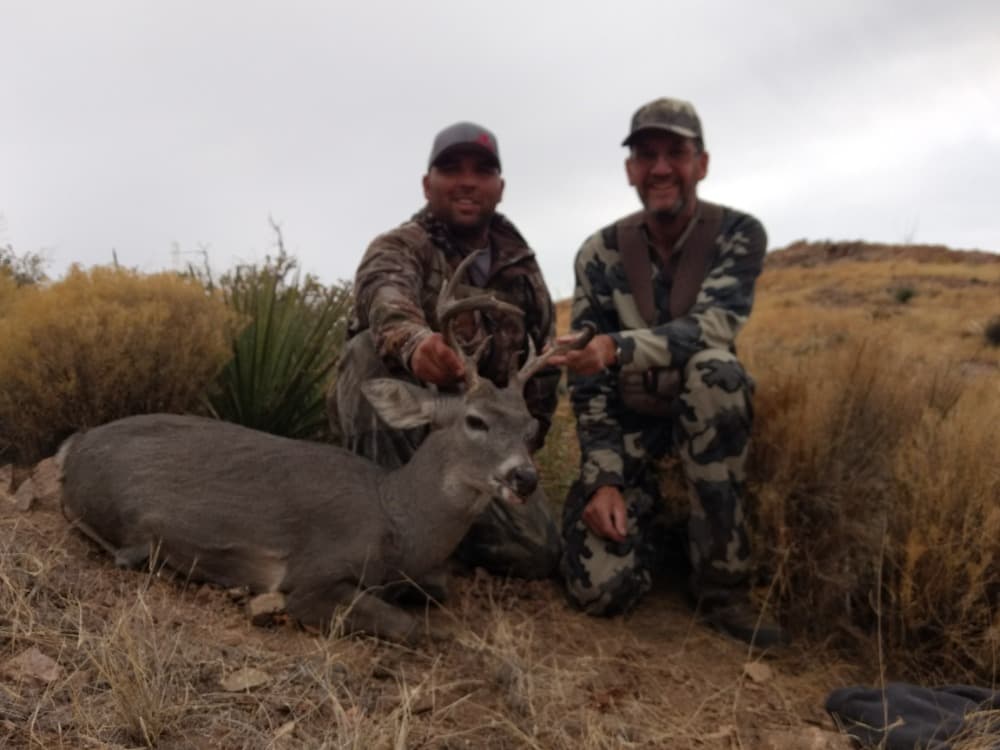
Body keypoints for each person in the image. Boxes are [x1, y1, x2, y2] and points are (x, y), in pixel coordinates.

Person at [549, 97, 785, 646]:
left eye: (675, 153)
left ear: (701, 163)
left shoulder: (740, 234)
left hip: (701, 421)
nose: (660, 168)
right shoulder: (598, 253)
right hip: (630, 434)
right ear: (630, 170)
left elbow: (714, 328)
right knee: (596, 592)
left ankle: (722, 585)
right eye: (647, 155)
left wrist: (616, 347)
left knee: (717, 374)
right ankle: (657, 532)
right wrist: (604, 479)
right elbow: (589, 381)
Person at [328, 121, 561, 583]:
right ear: (427, 183)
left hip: (476, 450)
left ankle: (438, 541)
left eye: (482, 170)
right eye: (451, 169)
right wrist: (416, 345)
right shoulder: (401, 246)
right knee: (365, 356)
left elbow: (543, 381)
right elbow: (384, 294)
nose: (467, 181)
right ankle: (374, 545)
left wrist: (517, 449)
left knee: (539, 552)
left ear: (500, 187)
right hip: (403, 438)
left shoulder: (523, 272)